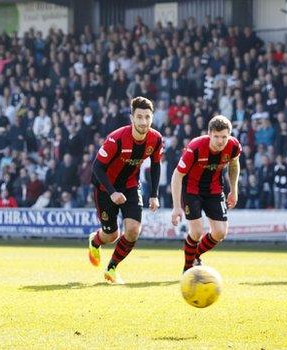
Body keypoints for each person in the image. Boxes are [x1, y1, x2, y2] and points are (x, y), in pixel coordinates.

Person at [87, 96, 162, 284]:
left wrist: (154, 195)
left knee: (133, 230)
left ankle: (111, 269)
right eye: (139, 117)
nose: (144, 122)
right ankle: (95, 241)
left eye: (147, 117)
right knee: (111, 235)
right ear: (132, 118)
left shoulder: (156, 139)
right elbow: (97, 167)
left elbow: (155, 165)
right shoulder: (116, 138)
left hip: (130, 186)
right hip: (105, 188)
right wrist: (112, 192)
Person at [170, 115, 241, 272]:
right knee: (196, 232)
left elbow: (234, 165)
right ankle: (187, 269)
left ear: (229, 135)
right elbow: (177, 175)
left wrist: (234, 190)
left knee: (220, 232)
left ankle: (194, 255)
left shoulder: (234, 146)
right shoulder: (195, 147)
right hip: (192, 190)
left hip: (214, 190)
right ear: (209, 134)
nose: (220, 141)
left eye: (224, 136)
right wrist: (176, 207)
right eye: (216, 136)